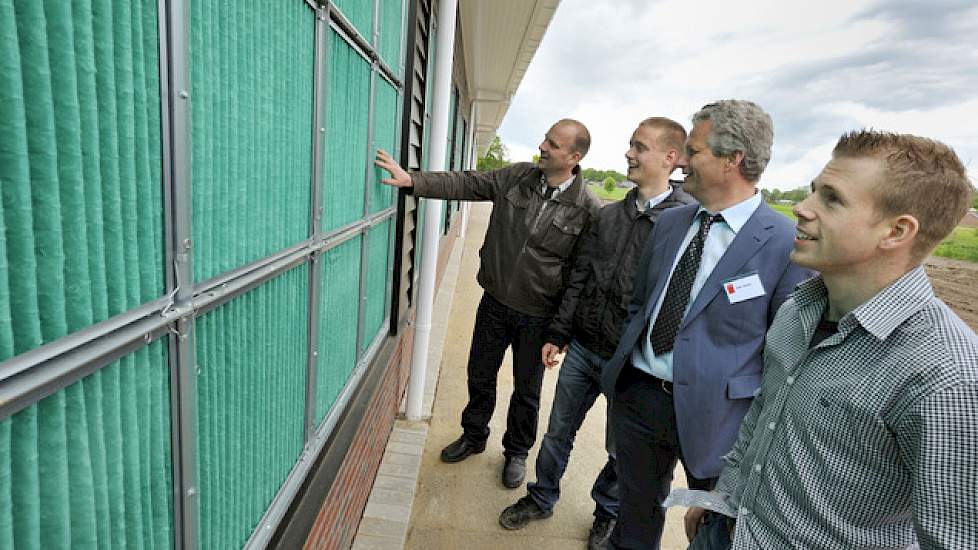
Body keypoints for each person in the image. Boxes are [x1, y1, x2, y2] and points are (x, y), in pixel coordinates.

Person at [686, 130, 978, 550]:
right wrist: (722, 500)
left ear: (896, 231)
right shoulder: (797, 309)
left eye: (832, 199)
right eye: (812, 192)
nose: (802, 209)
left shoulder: (947, 378)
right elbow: (761, 416)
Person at [599, 100, 812, 549]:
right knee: (633, 520)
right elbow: (642, 304)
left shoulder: (783, 243)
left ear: (732, 159)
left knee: (714, 532)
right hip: (640, 398)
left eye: (692, 152)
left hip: (721, 419)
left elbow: (787, 354)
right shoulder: (672, 222)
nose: (681, 164)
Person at [497, 117, 694, 549]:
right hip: (584, 349)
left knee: (619, 450)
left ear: (670, 158)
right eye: (630, 145)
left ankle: (605, 515)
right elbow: (579, 278)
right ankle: (541, 497)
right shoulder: (610, 216)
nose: (629, 153)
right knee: (556, 433)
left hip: (629, 363)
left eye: (639, 147)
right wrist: (559, 332)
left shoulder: (682, 226)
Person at [374, 119, 601, 488]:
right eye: (545, 138)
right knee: (480, 373)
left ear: (574, 157)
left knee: (527, 391)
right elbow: (467, 182)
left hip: (538, 317)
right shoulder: (517, 177)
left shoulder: (588, 209)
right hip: (495, 302)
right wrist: (414, 180)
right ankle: (474, 435)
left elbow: (579, 278)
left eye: (553, 144)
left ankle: (516, 452)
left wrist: (560, 332)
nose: (542, 146)